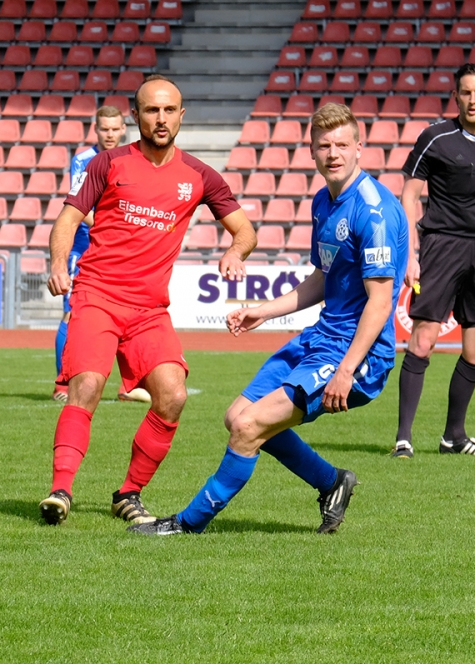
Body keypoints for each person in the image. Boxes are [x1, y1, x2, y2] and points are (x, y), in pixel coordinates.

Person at [129, 103, 408, 537]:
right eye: (324, 146)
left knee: (249, 427)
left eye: (342, 145)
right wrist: (264, 310)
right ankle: (332, 482)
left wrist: (346, 370)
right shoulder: (324, 201)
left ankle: (187, 524)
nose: (333, 154)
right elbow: (322, 278)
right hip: (323, 338)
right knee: (237, 415)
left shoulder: (374, 211)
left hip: (359, 354)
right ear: (312, 151)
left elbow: (379, 303)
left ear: (359, 148)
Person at [39, 74, 257, 526]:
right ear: (136, 115)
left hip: (149, 310)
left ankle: (129, 494)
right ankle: (61, 489)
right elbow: (68, 219)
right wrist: (59, 263)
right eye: (152, 110)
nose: (161, 118)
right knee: (88, 385)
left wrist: (235, 252)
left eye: (169, 110)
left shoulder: (200, 175)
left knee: (173, 395)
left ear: (181, 115)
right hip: (97, 295)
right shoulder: (108, 164)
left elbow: (245, 230)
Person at [391, 63, 475, 459]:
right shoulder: (435, 138)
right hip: (441, 246)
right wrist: (410, 254)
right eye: (466, 92)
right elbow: (409, 196)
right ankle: (404, 439)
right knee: (423, 341)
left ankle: (453, 438)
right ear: (456, 97)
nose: (472, 100)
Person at [52, 106, 150, 404]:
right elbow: (79, 208)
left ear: (123, 129)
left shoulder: (135, 159)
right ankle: (63, 385)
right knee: (73, 312)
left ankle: (129, 386)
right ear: (96, 129)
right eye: (104, 129)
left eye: (114, 129)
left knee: (129, 312)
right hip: (86, 247)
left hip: (120, 250)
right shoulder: (83, 160)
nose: (109, 134)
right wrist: (111, 230)